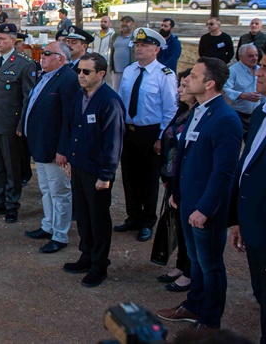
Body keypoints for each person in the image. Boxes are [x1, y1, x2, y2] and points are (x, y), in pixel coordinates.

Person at [157, 58, 242, 331]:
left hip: (205, 207)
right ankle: (194, 305)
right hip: (186, 201)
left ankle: (209, 320)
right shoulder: (198, 110)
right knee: (195, 260)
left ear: (209, 83)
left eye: (193, 75)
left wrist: (204, 208)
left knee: (211, 264)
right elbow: (184, 154)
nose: (187, 79)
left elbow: (224, 172)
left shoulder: (225, 119)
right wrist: (176, 192)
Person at [60, 53, 125, 287]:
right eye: (79, 71)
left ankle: (99, 265)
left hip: (97, 173)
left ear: (101, 74)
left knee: (98, 220)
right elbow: (72, 129)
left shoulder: (109, 102)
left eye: (86, 72)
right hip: (79, 167)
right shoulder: (80, 96)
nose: (81, 75)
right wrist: (70, 161)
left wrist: (105, 176)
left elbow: (113, 143)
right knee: (84, 217)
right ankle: (86, 255)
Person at [116, 27, 178, 242]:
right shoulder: (130, 70)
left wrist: (162, 137)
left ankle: (147, 221)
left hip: (151, 133)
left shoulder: (165, 76)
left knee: (149, 179)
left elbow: (171, 110)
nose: (139, 49)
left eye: (144, 46)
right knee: (129, 176)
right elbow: (121, 101)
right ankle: (133, 216)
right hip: (128, 131)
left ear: (156, 49)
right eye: (138, 45)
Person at [22, 41, 80, 253]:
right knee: (46, 189)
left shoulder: (68, 80)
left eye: (47, 53)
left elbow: (69, 119)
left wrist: (63, 149)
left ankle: (60, 234)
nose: (42, 56)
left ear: (61, 59)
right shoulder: (45, 75)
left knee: (60, 192)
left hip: (55, 148)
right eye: (42, 53)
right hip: (39, 144)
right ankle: (48, 225)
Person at [0, 23, 36, 223]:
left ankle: (12, 205)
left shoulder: (24, 63)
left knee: (12, 167)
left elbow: (28, 98)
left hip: (10, 124)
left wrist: (21, 125)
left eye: (3, 39)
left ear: (13, 41)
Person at [230, 51, 266, 344]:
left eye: (265, 68)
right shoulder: (260, 113)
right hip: (254, 226)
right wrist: (241, 220)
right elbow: (248, 168)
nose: (258, 72)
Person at [153, 69, 194, 294]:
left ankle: (189, 272)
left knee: (188, 227)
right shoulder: (182, 110)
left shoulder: (197, 115)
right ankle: (181, 265)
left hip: (186, 180)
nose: (179, 89)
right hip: (173, 178)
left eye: (185, 85)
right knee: (178, 224)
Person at [224, 43, 263, 141]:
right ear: (241, 56)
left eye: (256, 55)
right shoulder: (232, 71)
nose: (254, 58)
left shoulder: (260, 70)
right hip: (238, 115)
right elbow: (225, 90)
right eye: (250, 56)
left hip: (256, 115)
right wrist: (243, 95)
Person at [109, 15, 136, 90]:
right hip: (116, 71)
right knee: (116, 92)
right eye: (123, 22)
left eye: (127, 22)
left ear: (133, 24)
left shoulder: (135, 38)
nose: (124, 23)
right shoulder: (115, 36)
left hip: (130, 72)